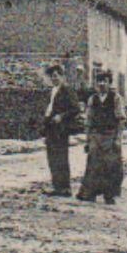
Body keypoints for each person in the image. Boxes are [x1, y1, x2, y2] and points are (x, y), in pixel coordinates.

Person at [77, 71, 126, 205]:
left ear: (109, 83)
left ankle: (109, 195)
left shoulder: (116, 98)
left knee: (110, 165)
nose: (102, 84)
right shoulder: (92, 99)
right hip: (96, 136)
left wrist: (118, 139)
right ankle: (90, 193)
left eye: (105, 81)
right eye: (99, 81)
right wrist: (88, 139)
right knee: (93, 164)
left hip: (110, 135)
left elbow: (121, 120)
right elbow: (89, 120)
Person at [40, 64, 79, 196]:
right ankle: (57, 187)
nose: (54, 78)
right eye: (52, 76)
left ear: (62, 76)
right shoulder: (52, 91)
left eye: (56, 76)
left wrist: (61, 116)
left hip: (61, 128)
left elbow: (75, 108)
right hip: (51, 127)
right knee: (52, 157)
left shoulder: (67, 90)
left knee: (61, 157)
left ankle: (65, 188)